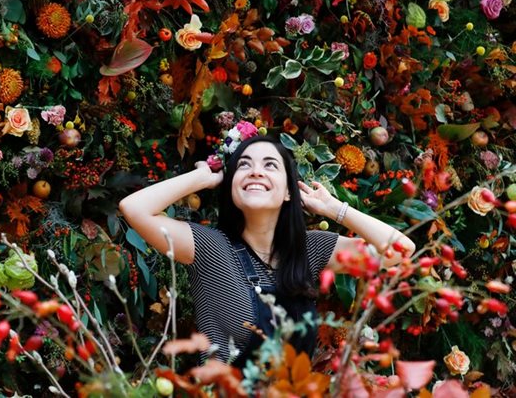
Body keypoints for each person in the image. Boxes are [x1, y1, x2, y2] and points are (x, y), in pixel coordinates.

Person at [119, 131, 416, 365]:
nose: (255, 172)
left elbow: (400, 250)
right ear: (232, 186)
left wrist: (335, 209)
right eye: (244, 165)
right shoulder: (210, 248)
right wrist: (201, 178)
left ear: (288, 191)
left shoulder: (308, 249)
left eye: (270, 165)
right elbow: (134, 208)